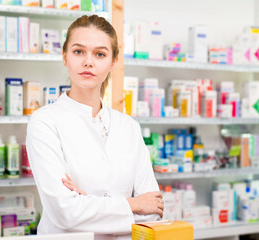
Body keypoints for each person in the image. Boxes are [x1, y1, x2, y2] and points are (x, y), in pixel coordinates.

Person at [26, 15, 164, 240]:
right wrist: (133, 205)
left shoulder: (128, 126)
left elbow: (153, 210)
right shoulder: (44, 122)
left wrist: (88, 203)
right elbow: (65, 213)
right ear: (65, 57)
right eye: (78, 51)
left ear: (113, 62)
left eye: (100, 54)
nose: (88, 62)